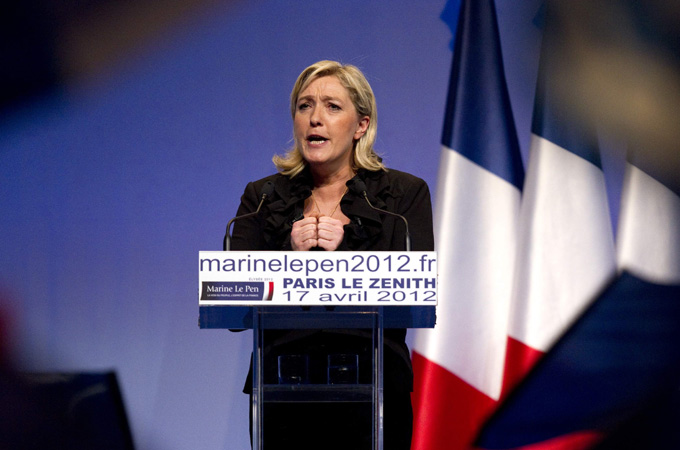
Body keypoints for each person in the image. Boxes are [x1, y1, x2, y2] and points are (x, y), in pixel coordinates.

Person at [229, 60, 434, 449]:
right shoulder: (264, 197)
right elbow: (232, 300)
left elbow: (414, 296)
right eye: (304, 106)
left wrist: (346, 254)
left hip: (375, 393)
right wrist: (287, 255)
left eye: (332, 106)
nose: (315, 118)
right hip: (281, 392)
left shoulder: (402, 196)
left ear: (361, 125)